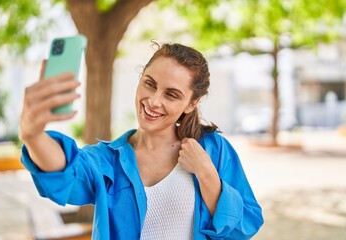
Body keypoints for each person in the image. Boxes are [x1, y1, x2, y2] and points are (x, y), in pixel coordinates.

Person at [19, 42, 264, 239]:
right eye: (150, 84)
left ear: (192, 103)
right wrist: (33, 135)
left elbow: (245, 227)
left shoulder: (213, 150)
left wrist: (207, 174)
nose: (154, 100)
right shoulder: (109, 161)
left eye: (171, 94)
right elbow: (66, 172)